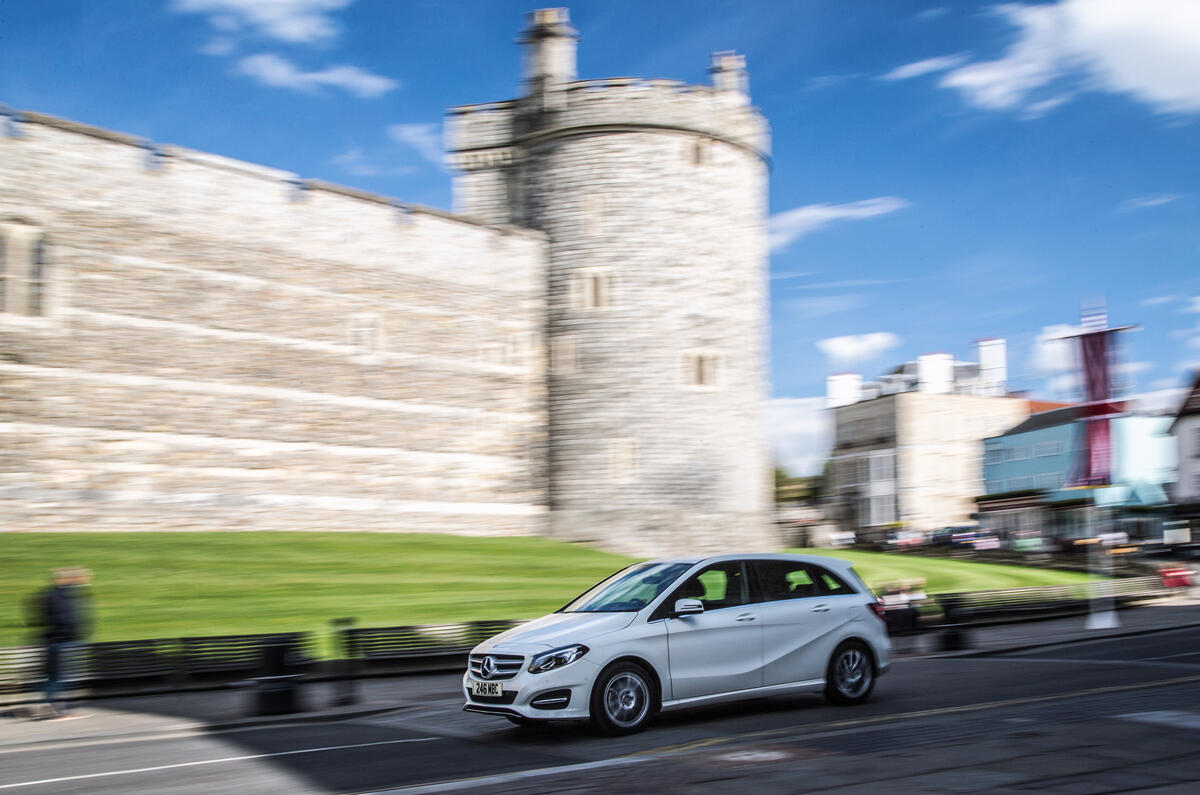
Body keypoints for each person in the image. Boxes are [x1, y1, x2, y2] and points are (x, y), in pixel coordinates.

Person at [33, 567, 92, 718]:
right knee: (62, 676)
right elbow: (64, 619)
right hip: (63, 642)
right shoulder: (61, 596)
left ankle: (54, 705)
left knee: (57, 676)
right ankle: (57, 707)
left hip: (61, 641)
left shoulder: (58, 594)